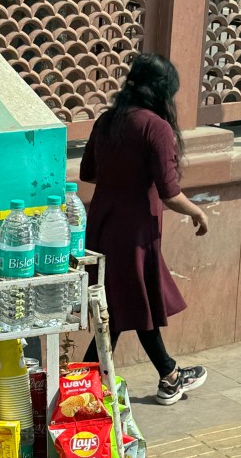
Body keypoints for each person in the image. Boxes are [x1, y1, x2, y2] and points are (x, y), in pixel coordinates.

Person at [79, 54, 210, 404]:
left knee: (124, 307)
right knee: (128, 304)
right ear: (161, 93)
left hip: (103, 226)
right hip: (136, 232)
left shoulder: (108, 121)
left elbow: (87, 173)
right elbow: (170, 192)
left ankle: (167, 374)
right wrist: (198, 212)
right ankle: (85, 388)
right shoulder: (156, 128)